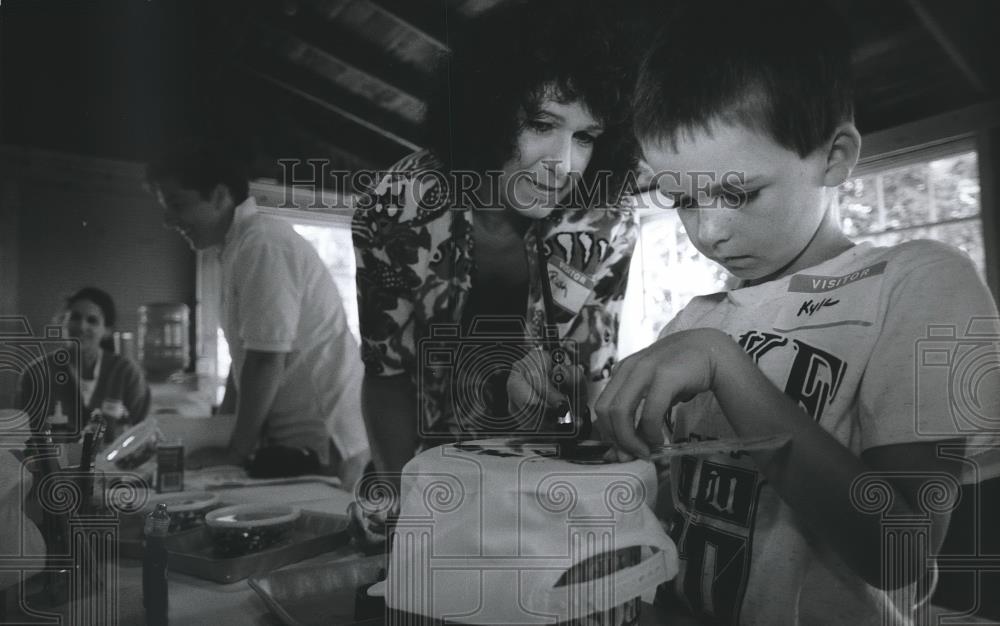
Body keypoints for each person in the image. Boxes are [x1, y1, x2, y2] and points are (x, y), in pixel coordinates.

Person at [594, 0, 1000, 624]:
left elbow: (900, 552)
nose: (710, 232)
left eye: (738, 192)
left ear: (834, 156)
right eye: (681, 199)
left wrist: (726, 366)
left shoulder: (917, 281)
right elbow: (673, 514)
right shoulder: (697, 322)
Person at [352, 0, 645, 479]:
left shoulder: (606, 223)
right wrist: (408, 503)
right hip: (424, 472)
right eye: (542, 124)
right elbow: (387, 378)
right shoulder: (394, 208)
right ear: (484, 107)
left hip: (542, 482)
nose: (565, 163)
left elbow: (589, 390)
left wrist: (568, 420)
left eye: (587, 136)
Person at [146, 139, 370, 486]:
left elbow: (266, 360)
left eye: (177, 204)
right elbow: (246, 363)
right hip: (298, 442)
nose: (168, 220)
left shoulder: (262, 244)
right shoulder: (237, 248)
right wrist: (219, 439)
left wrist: (233, 453)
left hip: (326, 444)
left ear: (220, 195)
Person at [19, 287, 151, 436]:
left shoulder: (127, 374)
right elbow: (27, 438)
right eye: (75, 317)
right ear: (63, 321)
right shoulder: (37, 374)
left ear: (107, 330)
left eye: (92, 320)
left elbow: (141, 435)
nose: (82, 327)